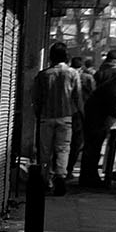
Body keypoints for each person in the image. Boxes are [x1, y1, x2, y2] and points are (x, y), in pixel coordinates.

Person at [32, 41, 84, 194]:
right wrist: (81, 116)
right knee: (63, 149)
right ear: (66, 56)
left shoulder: (43, 75)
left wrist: (38, 114)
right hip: (65, 117)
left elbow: (36, 99)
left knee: (45, 151)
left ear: (51, 57)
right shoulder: (73, 73)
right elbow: (78, 98)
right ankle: (60, 176)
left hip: (46, 117)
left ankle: (45, 179)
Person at [67, 56, 95, 178]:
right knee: (76, 143)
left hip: (65, 113)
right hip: (80, 114)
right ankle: (69, 170)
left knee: (62, 144)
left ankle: (59, 170)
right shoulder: (87, 77)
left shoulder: (66, 75)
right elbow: (93, 94)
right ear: (82, 66)